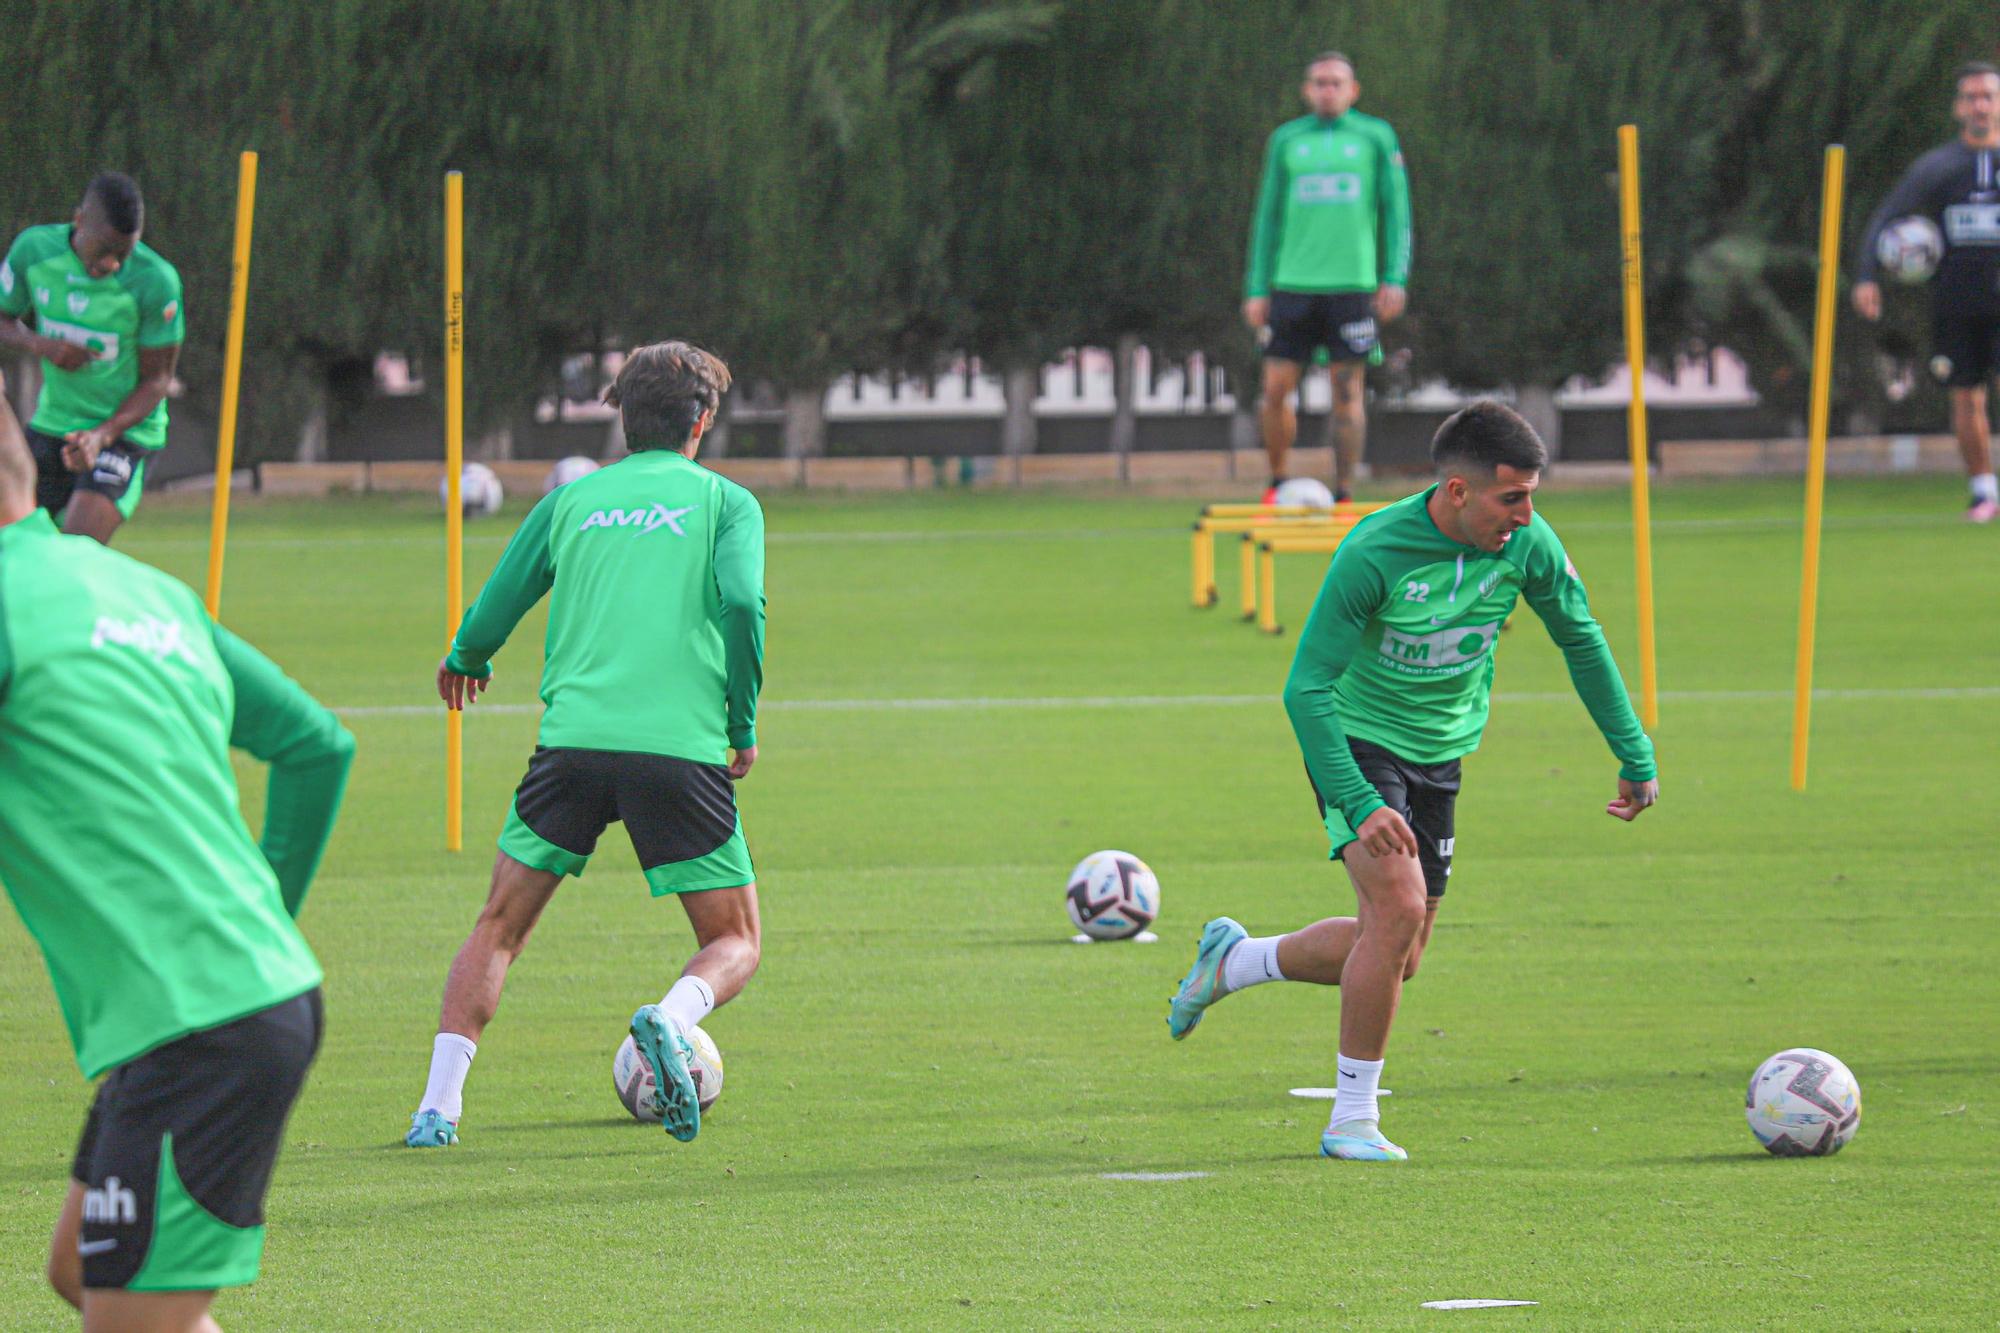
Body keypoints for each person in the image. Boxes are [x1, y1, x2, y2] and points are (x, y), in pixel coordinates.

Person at [1167, 401, 1657, 1162]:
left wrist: (1635, 752)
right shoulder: (1373, 552)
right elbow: (1305, 688)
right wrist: (1359, 803)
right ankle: (1350, 1119)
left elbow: (1581, 640)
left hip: (1441, 753)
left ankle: (1235, 961)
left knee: (1402, 950)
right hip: (1356, 743)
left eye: (1532, 496)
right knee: (1395, 911)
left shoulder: (1528, 544)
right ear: (1458, 491)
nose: (1526, 515)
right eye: (1512, 497)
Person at [0, 372, 354, 1329]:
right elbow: (319, 745)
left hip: (204, 1028)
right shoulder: (138, 587)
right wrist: (256, 929)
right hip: (225, 1004)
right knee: (82, 1269)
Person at [407, 340, 766, 1148]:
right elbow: (743, 603)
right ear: (701, 421)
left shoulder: (573, 501)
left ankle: (439, 1108)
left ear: (623, 419)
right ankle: (671, 1019)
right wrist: (740, 723)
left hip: (570, 746)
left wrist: (467, 656)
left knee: (498, 925)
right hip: (678, 750)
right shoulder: (726, 503)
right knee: (733, 939)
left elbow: (504, 594)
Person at [1242, 51, 1412, 504]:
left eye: (1336, 82)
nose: (1327, 90)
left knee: (1346, 393)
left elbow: (1397, 212)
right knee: (1275, 391)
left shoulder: (1375, 136)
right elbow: (1267, 216)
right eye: (1319, 82)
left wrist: (1393, 276)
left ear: (1352, 90)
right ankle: (1277, 485)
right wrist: (1257, 287)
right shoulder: (1287, 140)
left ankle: (1344, 493)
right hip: (1291, 285)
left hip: (1352, 287)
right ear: (1307, 90)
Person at [0, 172, 184, 544]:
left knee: (77, 550)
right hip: (54, 424)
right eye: (105, 249)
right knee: (13, 546)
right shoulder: (35, 251)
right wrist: (42, 345)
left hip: (124, 435)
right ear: (79, 221)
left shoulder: (156, 282)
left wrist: (101, 436)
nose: (113, 263)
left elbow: (158, 380)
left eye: (124, 253)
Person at [1854, 61, 2000, 523]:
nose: (1981, 104)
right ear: (1959, 107)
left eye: (1989, 96)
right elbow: (1886, 217)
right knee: (1965, 397)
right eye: (1972, 97)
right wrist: (1866, 275)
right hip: (1956, 302)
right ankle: (1983, 493)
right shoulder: (1938, 167)